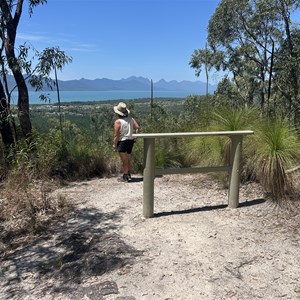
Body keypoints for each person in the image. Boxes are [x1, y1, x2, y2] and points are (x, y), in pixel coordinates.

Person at [113, 102, 141, 182]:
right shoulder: (131, 119)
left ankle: (125, 176)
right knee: (127, 158)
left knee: (124, 160)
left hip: (122, 142)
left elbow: (116, 135)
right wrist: (135, 137)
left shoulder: (118, 122)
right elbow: (138, 128)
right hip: (130, 141)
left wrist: (115, 145)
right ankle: (128, 173)